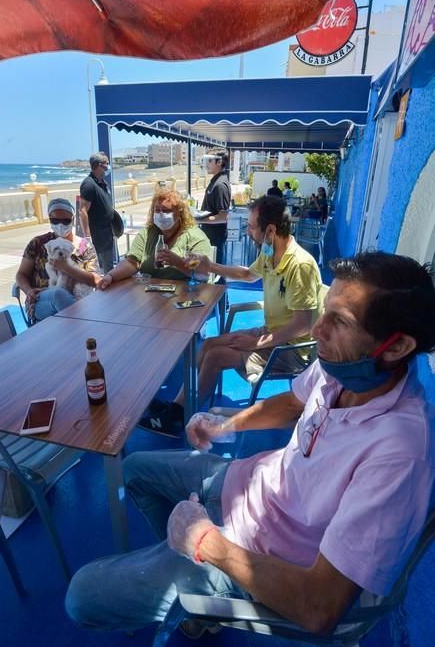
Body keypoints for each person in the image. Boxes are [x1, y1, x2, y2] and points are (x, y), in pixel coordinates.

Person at [66, 251, 435, 636]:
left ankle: (200, 588)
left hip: (263, 556)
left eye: (340, 322)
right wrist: (226, 425)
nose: (318, 329)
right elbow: (292, 402)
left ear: (395, 348)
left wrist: (205, 542)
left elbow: (319, 606)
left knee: (79, 597)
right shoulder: (346, 368)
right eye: (326, 310)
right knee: (136, 469)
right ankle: (194, 603)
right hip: (252, 487)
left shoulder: (400, 453)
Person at [143, 195, 322, 436]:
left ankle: (180, 419)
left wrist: (257, 342)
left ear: (270, 230)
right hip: (271, 334)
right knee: (208, 345)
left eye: (251, 227)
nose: (248, 232)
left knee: (216, 356)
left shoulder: (299, 265)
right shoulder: (271, 252)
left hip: (291, 350)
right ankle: (177, 408)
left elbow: (302, 326)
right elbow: (248, 274)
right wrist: (211, 266)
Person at [97, 187, 212, 289]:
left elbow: (203, 273)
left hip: (186, 294)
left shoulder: (195, 237)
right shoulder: (148, 233)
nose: (161, 214)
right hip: (151, 293)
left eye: (166, 211)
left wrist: (178, 262)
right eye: (157, 210)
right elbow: (132, 262)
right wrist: (111, 276)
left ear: (179, 213)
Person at [15, 198, 100, 323]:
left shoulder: (84, 246)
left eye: (66, 221)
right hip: (42, 301)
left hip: (79, 300)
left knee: (65, 298)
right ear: (49, 219)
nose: (60, 225)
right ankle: (85, 326)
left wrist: (66, 268)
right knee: (58, 294)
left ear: (73, 220)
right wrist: (29, 291)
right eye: (55, 220)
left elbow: (96, 280)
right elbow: (21, 274)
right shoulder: (38, 243)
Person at [79, 152, 115, 273]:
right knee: (97, 268)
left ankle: (110, 289)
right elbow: (83, 211)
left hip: (107, 234)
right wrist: (87, 236)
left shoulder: (102, 183)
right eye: (107, 164)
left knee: (109, 266)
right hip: (97, 236)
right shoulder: (89, 184)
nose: (109, 166)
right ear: (99, 165)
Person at [199, 149, 231, 264]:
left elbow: (223, 217)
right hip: (211, 236)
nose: (206, 164)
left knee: (216, 272)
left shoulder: (220, 185)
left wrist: (199, 219)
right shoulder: (216, 181)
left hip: (215, 238)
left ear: (219, 162)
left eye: (209, 160)